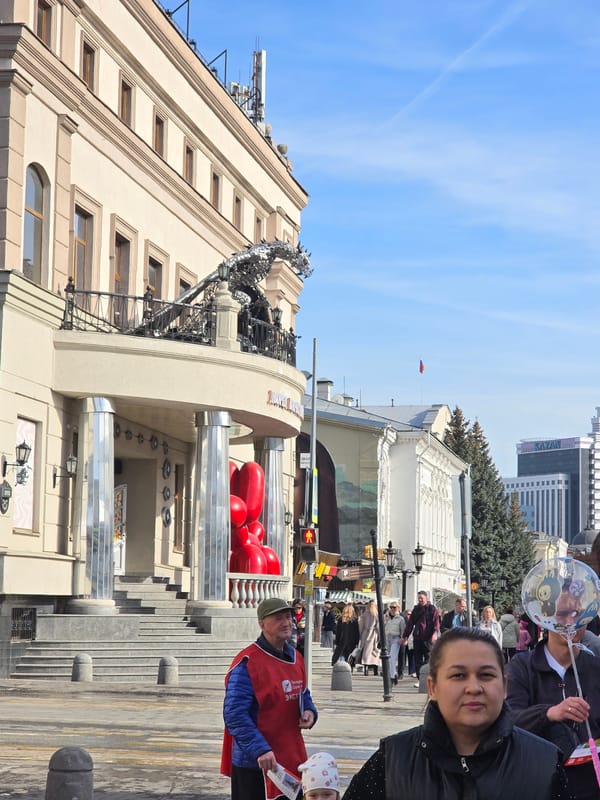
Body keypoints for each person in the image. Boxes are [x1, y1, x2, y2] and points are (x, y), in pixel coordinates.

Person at [343, 627, 567, 800]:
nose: (473, 687)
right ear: (433, 687)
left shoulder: (544, 764)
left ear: (505, 686)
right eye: (458, 676)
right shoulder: (392, 761)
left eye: (486, 675)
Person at [221, 597, 318, 800]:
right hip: (257, 763)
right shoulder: (247, 663)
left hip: (292, 758)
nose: (286, 622)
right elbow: (235, 714)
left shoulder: (296, 657)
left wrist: (309, 711)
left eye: (288, 617)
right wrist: (260, 750)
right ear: (262, 624)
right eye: (278, 618)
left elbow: (303, 693)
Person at [507, 622, 600, 800]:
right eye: (563, 615)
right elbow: (509, 719)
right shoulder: (522, 666)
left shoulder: (595, 667)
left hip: (590, 784)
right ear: (544, 618)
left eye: (579, 615)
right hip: (537, 782)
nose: (572, 623)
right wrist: (549, 713)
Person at [402, 590, 440, 687]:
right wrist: (405, 636)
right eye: (419, 598)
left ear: (426, 598)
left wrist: (435, 633)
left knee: (428, 659)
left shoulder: (432, 609)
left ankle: (429, 679)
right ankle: (420, 680)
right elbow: (410, 624)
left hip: (428, 638)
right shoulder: (416, 609)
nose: (420, 600)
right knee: (418, 660)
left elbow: (436, 623)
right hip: (418, 637)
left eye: (421, 598)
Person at [384, 601, 406, 685]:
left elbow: (403, 630)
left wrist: (403, 639)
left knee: (392, 658)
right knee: (387, 658)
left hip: (395, 638)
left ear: (398, 608)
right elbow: (380, 627)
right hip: (387, 638)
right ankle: (394, 674)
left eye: (394, 607)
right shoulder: (385, 616)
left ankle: (392, 676)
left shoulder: (400, 619)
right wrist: (385, 621)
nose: (392, 609)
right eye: (391, 607)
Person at [358, 599, 381, 676]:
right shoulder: (376, 614)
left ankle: (366, 668)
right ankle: (375, 669)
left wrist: (361, 635)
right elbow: (378, 626)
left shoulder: (365, 614)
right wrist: (379, 635)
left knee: (366, 652)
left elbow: (361, 625)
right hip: (373, 634)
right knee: (374, 652)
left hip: (366, 633)